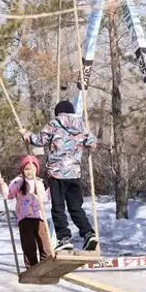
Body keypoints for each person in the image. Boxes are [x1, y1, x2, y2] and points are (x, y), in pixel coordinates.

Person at [20, 100, 98, 252]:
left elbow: (39, 140)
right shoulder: (80, 125)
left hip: (56, 173)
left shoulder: (54, 123)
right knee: (76, 207)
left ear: (58, 113)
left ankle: (64, 238)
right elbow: (92, 142)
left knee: (58, 208)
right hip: (74, 174)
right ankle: (88, 233)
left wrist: (26, 135)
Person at [0, 155, 53, 268]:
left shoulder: (39, 183)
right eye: (27, 169)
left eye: (32, 169)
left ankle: (46, 263)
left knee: (44, 241)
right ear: (22, 170)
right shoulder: (18, 181)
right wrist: (1, 185)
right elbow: (8, 194)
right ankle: (31, 266)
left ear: (36, 170)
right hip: (24, 218)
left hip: (39, 216)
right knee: (29, 243)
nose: (29, 172)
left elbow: (45, 199)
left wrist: (52, 188)